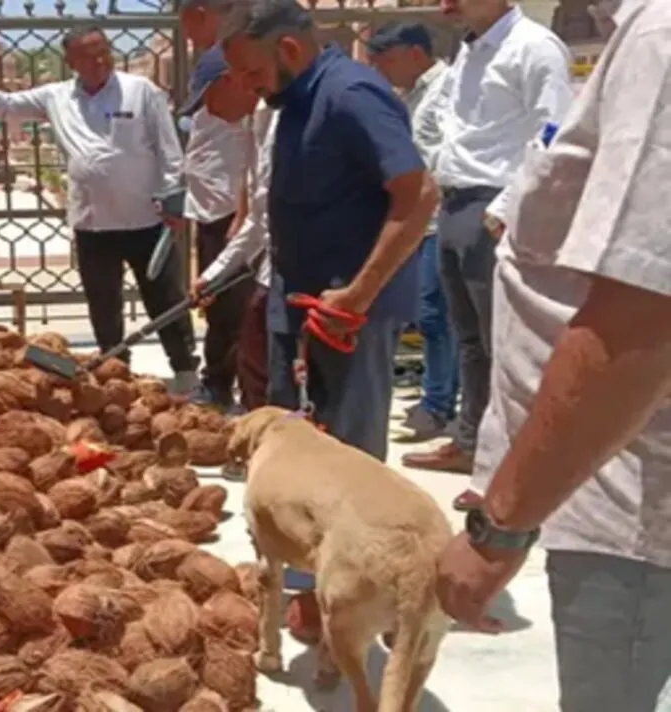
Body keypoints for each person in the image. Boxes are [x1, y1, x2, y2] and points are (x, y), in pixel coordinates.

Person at [434, 1, 671, 710]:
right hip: (601, 481)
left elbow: (639, 322)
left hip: (632, 511)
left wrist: (498, 530)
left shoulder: (660, 36)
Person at [221, 0, 438, 640]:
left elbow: (418, 196)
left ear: (289, 49)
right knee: (299, 457)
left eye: (253, 71)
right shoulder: (292, 101)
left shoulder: (351, 95)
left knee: (350, 460)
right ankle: (309, 581)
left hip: (346, 318)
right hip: (298, 306)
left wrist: (360, 294)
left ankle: (367, 594)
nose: (248, 86)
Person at [0, 25, 199, 393]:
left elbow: (169, 149)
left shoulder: (140, 91)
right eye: (89, 54)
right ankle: (116, 374)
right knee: (103, 305)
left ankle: (185, 371)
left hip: (147, 221)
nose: (100, 60)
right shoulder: (56, 97)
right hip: (92, 224)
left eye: (104, 51)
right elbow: (6, 107)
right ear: (71, 61)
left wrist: (173, 199)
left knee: (165, 299)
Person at [402, 0, 573, 483]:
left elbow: (555, 130)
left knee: (506, 343)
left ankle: (517, 463)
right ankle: (473, 443)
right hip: (456, 203)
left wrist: (507, 205)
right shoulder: (469, 51)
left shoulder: (534, 48)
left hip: (495, 206)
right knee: (470, 339)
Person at [368, 23, 459, 441]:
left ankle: (438, 403)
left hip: (438, 217)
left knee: (434, 315)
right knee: (429, 314)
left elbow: (445, 152)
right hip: (419, 221)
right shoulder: (410, 95)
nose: (383, 70)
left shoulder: (446, 89)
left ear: (416, 53)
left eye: (388, 60)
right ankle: (439, 396)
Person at [182, 47, 272, 417]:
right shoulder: (254, 118)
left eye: (209, 97)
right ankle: (251, 408)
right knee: (238, 322)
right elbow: (257, 207)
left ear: (230, 81)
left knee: (252, 327)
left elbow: (261, 211)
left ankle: (258, 409)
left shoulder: (273, 117)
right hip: (245, 232)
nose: (208, 109)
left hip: (286, 249)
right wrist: (213, 274)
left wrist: (225, 260)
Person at [174, 0, 253, 412]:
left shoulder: (255, 104)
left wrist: (242, 214)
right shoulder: (213, 66)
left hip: (237, 220)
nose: (211, 110)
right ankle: (219, 384)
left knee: (238, 311)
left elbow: (254, 166)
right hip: (213, 214)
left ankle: (242, 392)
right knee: (219, 306)